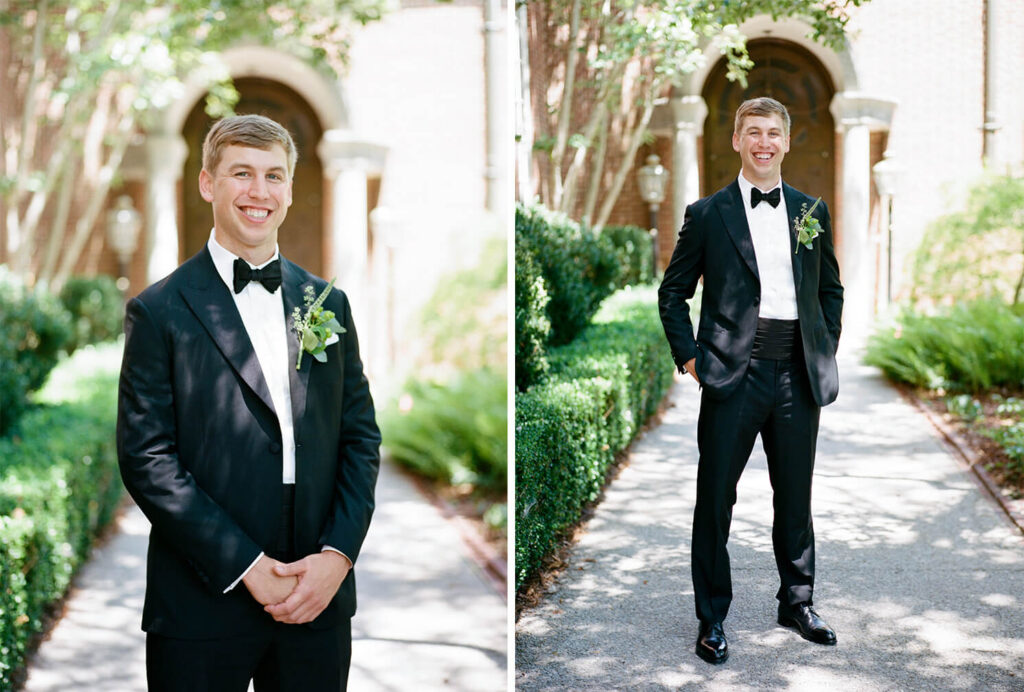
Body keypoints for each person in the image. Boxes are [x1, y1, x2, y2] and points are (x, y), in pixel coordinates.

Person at [117, 114, 380, 690]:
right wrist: (244, 565)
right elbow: (147, 458)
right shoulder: (158, 311)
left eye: (274, 176)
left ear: (289, 189)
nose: (259, 192)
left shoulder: (326, 301)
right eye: (242, 174)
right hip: (202, 589)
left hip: (317, 587)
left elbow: (360, 437)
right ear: (209, 183)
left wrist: (338, 554)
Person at [658, 97, 844, 664]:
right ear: (737, 140)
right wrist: (691, 358)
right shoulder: (707, 214)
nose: (764, 142)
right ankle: (711, 617)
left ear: (786, 143)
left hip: (796, 374)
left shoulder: (811, 211)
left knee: (795, 497)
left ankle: (797, 601)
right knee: (715, 500)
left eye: (773, 133)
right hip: (730, 378)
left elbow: (830, 290)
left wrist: (822, 346)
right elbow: (673, 293)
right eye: (753, 132)